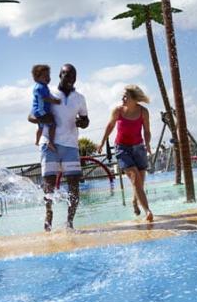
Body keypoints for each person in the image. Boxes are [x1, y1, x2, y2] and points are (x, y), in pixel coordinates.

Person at [28, 63, 89, 231]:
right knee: (48, 184)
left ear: (75, 78)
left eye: (72, 76)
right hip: (49, 144)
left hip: (71, 145)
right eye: (65, 75)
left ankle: (69, 223)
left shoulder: (80, 98)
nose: (69, 79)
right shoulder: (49, 93)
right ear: (59, 76)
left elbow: (85, 120)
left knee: (74, 185)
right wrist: (44, 120)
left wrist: (82, 123)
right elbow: (31, 116)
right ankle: (49, 218)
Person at [98, 85, 154, 222]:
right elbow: (110, 126)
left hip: (139, 148)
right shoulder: (118, 111)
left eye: (126, 96)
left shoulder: (143, 112)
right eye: (122, 96)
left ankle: (135, 201)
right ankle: (148, 211)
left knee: (139, 182)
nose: (123, 99)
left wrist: (147, 144)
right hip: (122, 148)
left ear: (134, 99)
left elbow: (147, 131)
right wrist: (102, 142)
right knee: (135, 178)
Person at [30, 64, 61, 151]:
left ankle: (37, 141)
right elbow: (45, 98)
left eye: (48, 75)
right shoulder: (40, 87)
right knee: (52, 124)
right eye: (45, 76)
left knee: (41, 127)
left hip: (39, 111)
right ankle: (50, 141)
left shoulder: (42, 86)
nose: (48, 78)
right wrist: (54, 101)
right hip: (42, 111)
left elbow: (48, 95)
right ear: (37, 78)